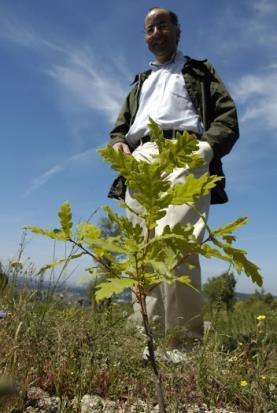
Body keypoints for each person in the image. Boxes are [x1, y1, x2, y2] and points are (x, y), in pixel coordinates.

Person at [108, 7, 239, 347]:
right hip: (141, 158)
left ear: (178, 31)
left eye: (162, 25)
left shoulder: (199, 71)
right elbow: (119, 129)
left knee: (177, 243)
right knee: (142, 249)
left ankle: (182, 345)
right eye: (149, 29)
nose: (155, 33)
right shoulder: (141, 82)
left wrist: (207, 149)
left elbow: (226, 115)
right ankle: (146, 340)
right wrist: (121, 144)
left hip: (186, 152)